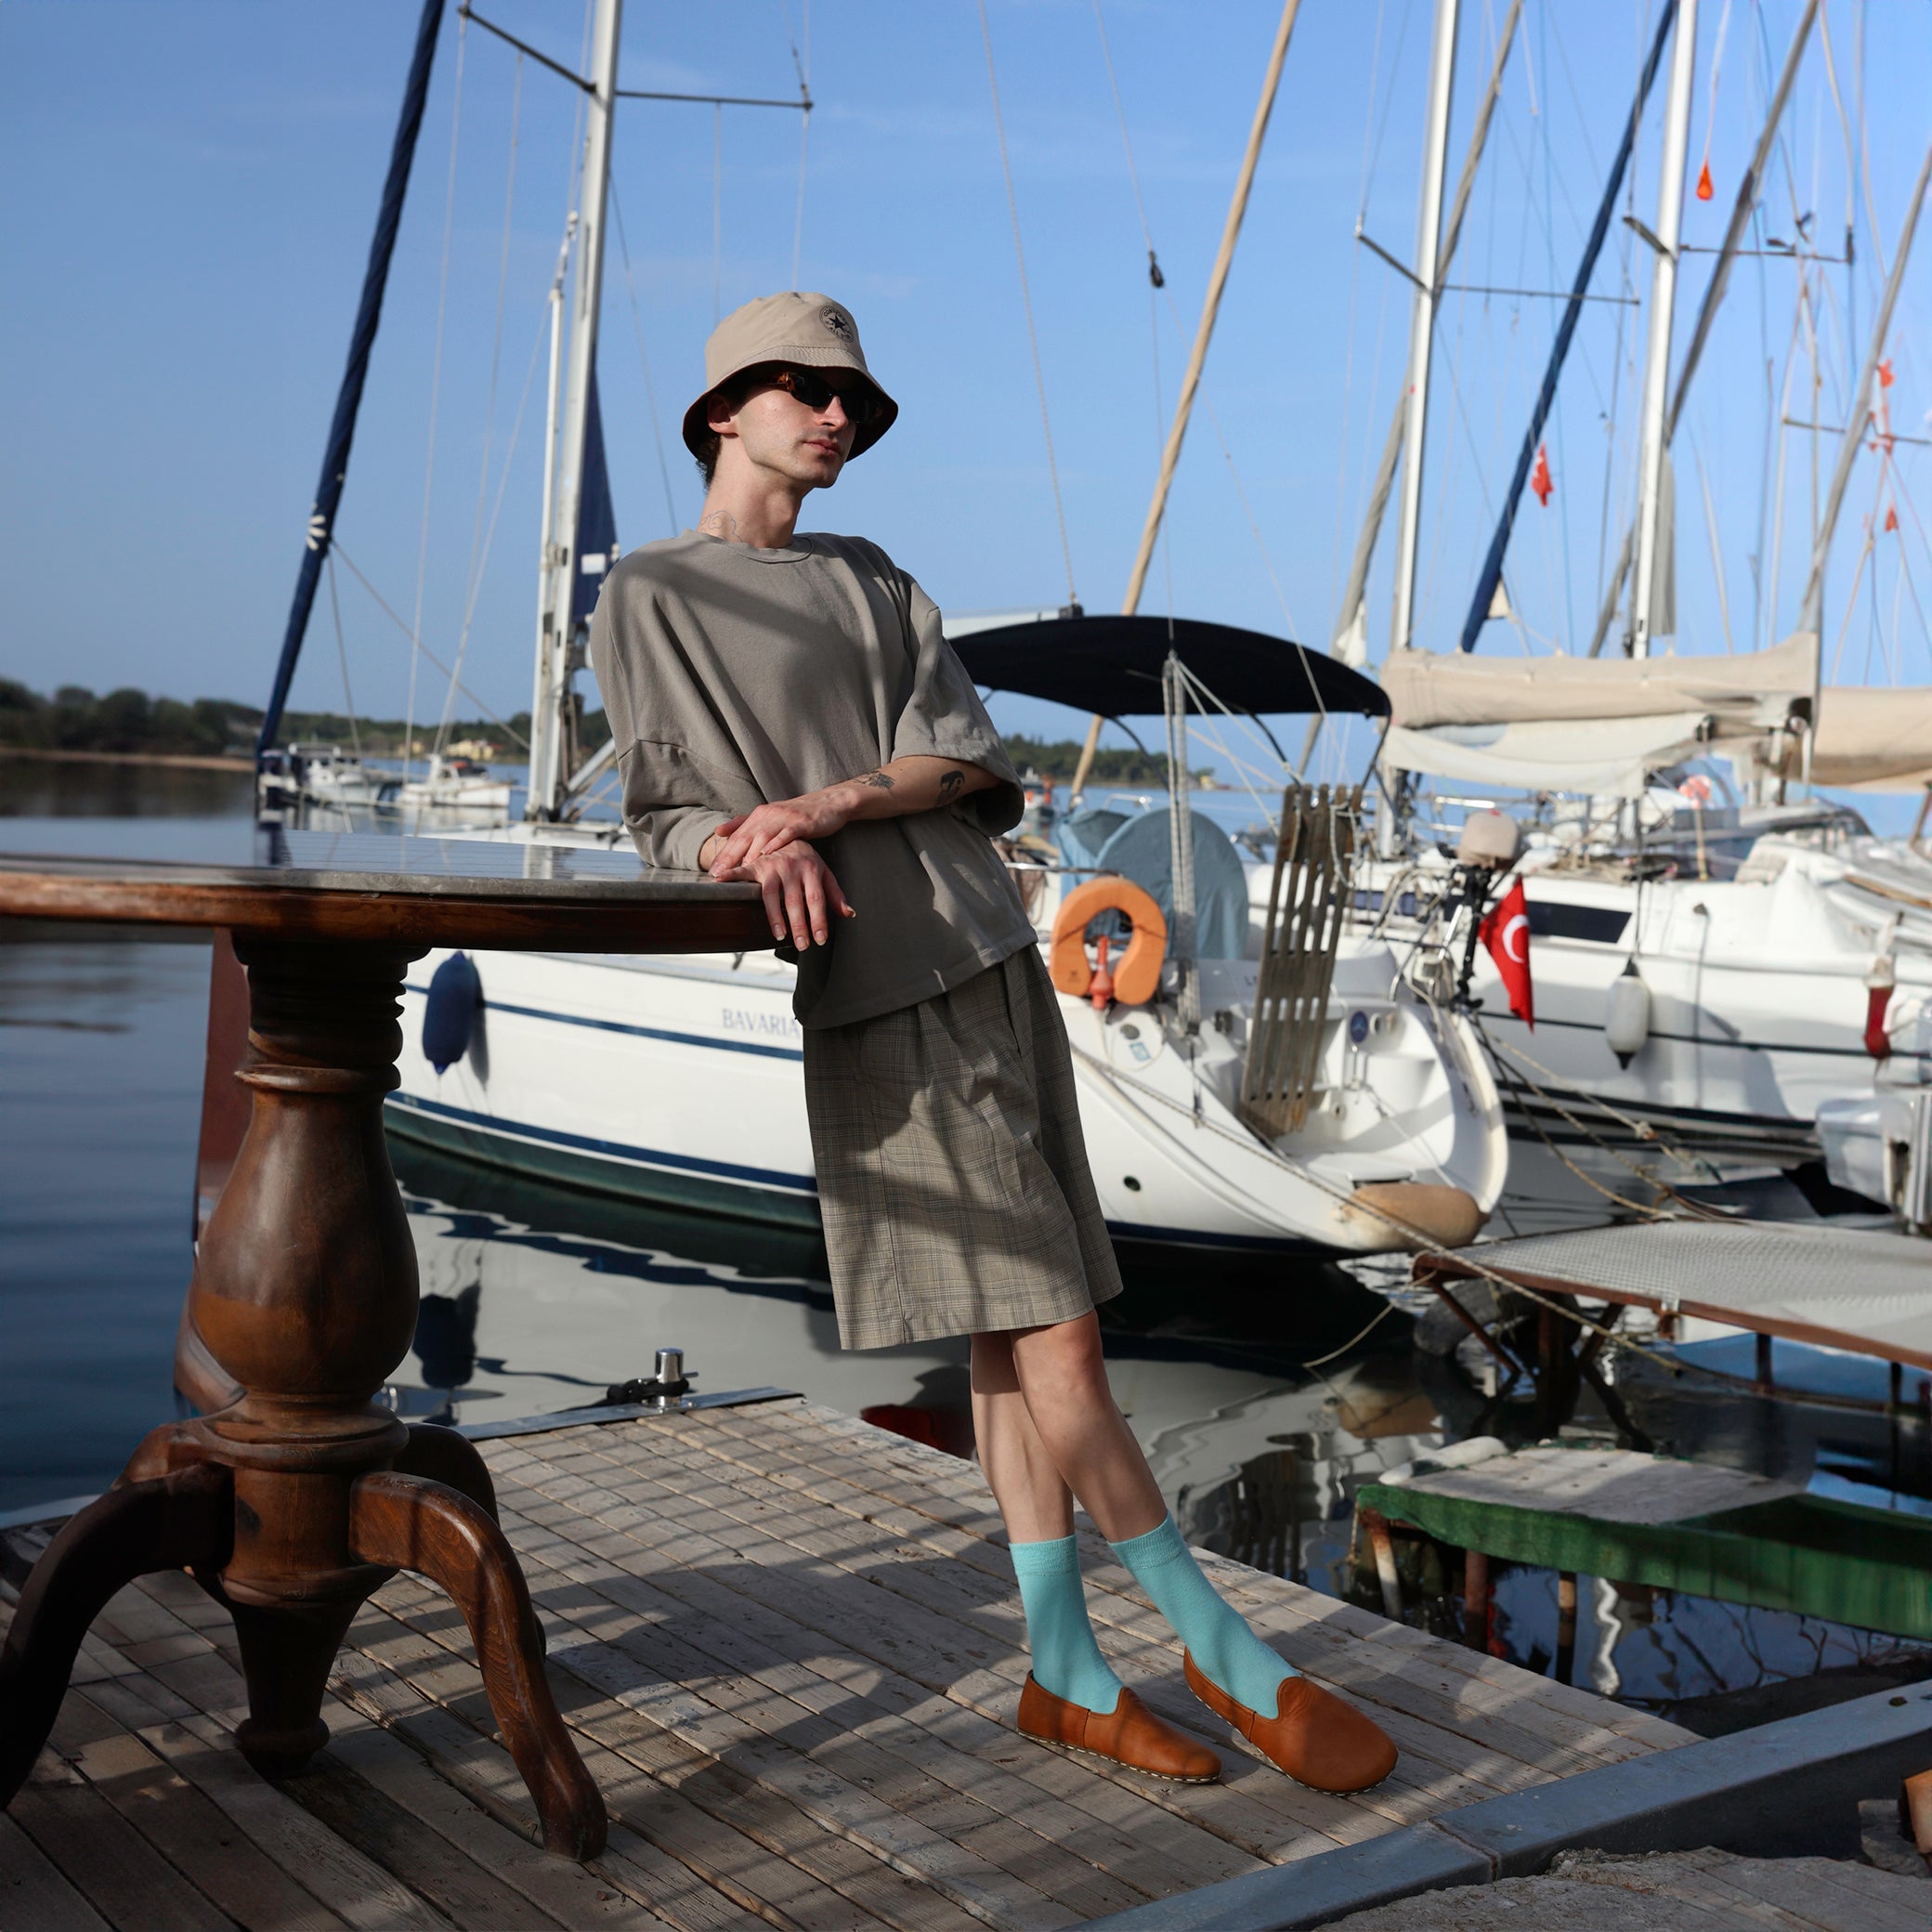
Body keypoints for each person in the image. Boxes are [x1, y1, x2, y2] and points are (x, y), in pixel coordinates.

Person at [588, 291, 1396, 1794]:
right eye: (809, 391)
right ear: (725, 410)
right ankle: (1227, 1656)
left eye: (855, 403)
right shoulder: (653, 595)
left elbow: (963, 756)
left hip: (993, 958)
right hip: (880, 992)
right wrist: (738, 848)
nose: (839, 416)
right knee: (1066, 1347)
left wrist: (822, 805)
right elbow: (660, 811)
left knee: (1014, 1348)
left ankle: (1064, 1673)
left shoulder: (875, 577)